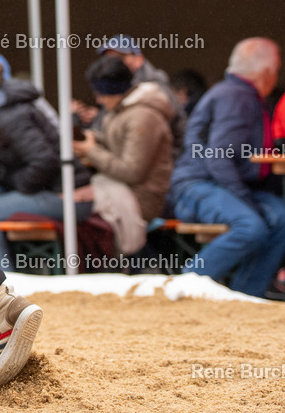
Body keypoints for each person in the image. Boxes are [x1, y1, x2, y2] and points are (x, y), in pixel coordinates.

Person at [168, 38, 285, 298]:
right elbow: (218, 158)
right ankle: (186, 286)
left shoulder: (237, 94)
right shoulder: (236, 97)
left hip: (220, 184)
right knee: (250, 226)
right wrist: (246, 201)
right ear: (266, 72)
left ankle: (246, 295)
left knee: (281, 217)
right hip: (198, 185)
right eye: (276, 71)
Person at [0, 57, 92, 270]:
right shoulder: (5, 107)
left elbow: (43, 161)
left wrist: (18, 182)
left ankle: (4, 282)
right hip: (65, 190)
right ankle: (18, 270)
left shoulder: (8, 115)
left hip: (67, 197)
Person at [72, 57, 175, 255]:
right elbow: (117, 146)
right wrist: (93, 140)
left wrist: (90, 151)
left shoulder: (143, 116)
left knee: (76, 205)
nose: (98, 100)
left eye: (102, 94)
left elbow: (132, 171)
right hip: (122, 187)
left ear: (115, 90)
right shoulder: (119, 109)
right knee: (74, 199)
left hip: (142, 197)